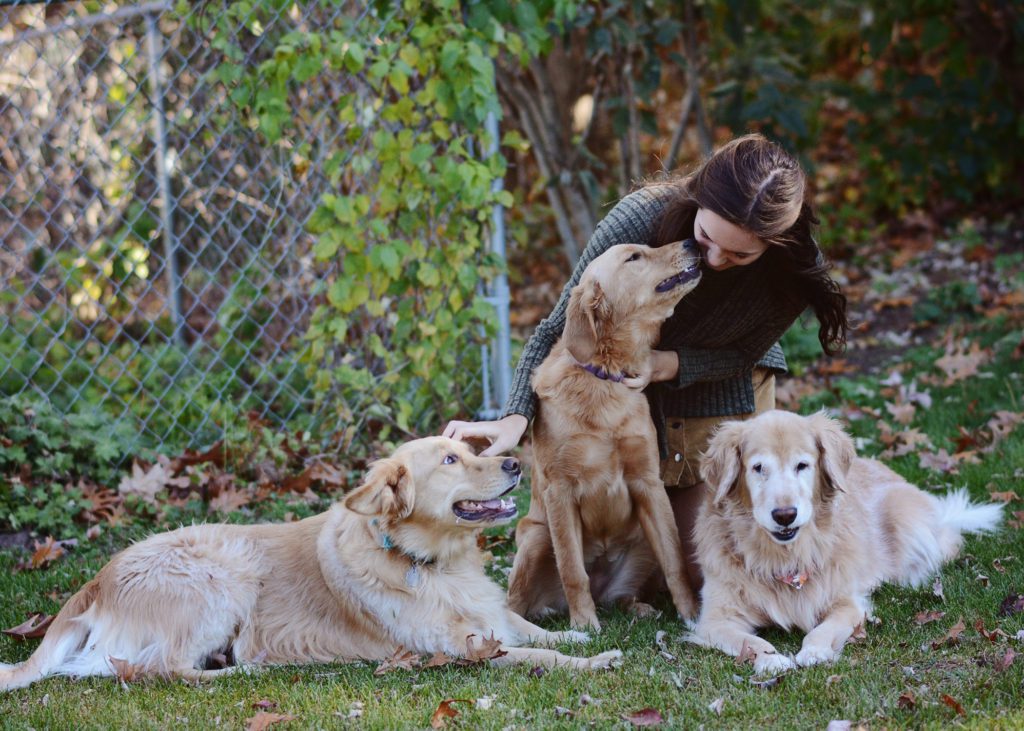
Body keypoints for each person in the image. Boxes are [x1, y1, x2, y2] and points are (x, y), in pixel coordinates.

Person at [443, 134, 848, 564]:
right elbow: (560, 329)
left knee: (708, 562)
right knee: (633, 545)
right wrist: (513, 418)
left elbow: (746, 354)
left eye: (738, 255)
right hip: (630, 392)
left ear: (773, 245)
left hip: (721, 391)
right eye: (706, 236)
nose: (712, 260)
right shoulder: (639, 219)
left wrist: (667, 364)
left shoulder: (791, 274)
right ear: (699, 196)